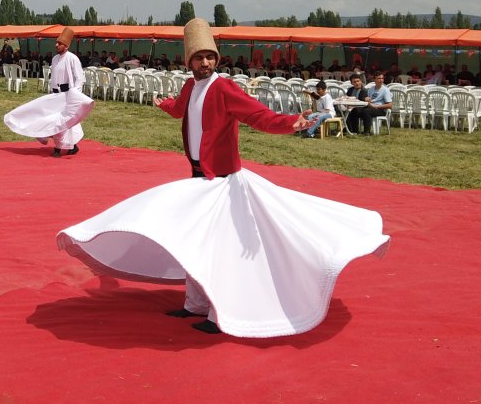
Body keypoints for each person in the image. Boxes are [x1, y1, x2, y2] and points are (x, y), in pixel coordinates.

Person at [57, 18, 389, 337]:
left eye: (209, 57)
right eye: (199, 57)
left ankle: (221, 313)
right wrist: (164, 104)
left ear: (216, 59)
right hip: (198, 181)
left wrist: (291, 123)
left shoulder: (224, 88)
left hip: (226, 183)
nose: (205, 62)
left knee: (219, 249)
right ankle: (195, 304)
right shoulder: (191, 86)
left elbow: (258, 114)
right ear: (189, 61)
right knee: (193, 242)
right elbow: (180, 108)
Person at [3, 27, 94, 158]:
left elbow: (79, 78)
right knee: (48, 118)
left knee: (60, 122)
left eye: (60, 43)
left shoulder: (72, 58)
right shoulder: (55, 59)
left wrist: (74, 95)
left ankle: (58, 148)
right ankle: (72, 146)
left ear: (66, 46)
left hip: (67, 95)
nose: (56, 45)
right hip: (56, 95)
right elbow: (54, 77)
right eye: (57, 43)